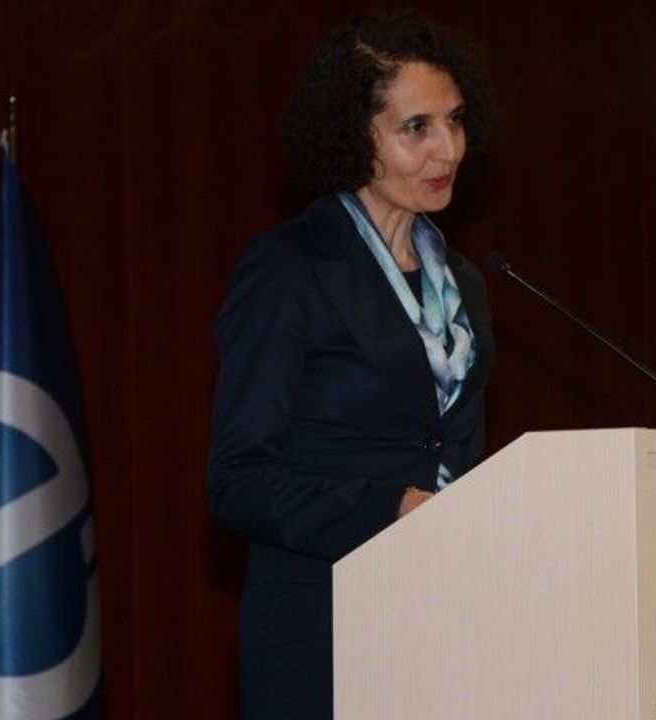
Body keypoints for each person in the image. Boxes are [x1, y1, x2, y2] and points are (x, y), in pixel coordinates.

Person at [207, 14, 494, 719]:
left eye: (455, 121)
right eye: (416, 128)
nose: (448, 149)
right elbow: (238, 482)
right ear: (353, 135)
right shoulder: (290, 267)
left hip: (448, 623)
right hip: (322, 628)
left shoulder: (464, 283)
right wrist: (392, 507)